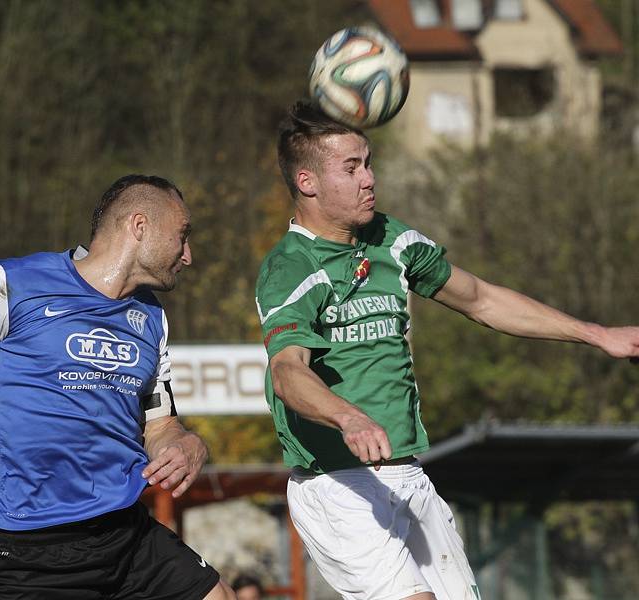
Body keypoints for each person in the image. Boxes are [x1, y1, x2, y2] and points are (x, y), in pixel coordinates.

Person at [254, 102, 639, 600]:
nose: (369, 178)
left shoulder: (391, 240)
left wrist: (596, 334)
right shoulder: (290, 266)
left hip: (407, 475)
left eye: (368, 162)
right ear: (307, 182)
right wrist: (347, 417)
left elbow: (481, 299)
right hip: (336, 484)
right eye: (351, 168)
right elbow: (287, 372)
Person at [0, 175, 236, 600]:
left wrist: (186, 443)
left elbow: (159, 423)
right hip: (29, 553)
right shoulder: (7, 285)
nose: (188, 255)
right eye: (182, 236)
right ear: (139, 226)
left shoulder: (152, 318)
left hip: (123, 533)